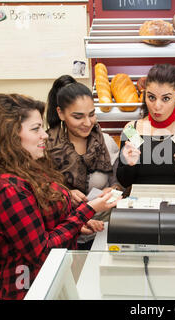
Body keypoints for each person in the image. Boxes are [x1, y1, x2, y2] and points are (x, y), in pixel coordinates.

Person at [0, 94, 120, 299]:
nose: (45, 135)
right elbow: (42, 251)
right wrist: (87, 210)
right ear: (10, 135)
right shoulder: (8, 188)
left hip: (54, 278)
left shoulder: (29, 169)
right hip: (29, 288)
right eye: (35, 129)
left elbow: (41, 224)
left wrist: (78, 225)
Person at [46, 75, 122, 249]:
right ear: (60, 113)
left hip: (103, 233)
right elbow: (38, 191)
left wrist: (114, 190)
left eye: (92, 114)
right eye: (78, 117)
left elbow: (117, 181)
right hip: (62, 239)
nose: (87, 123)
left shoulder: (106, 142)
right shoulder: (46, 146)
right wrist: (64, 193)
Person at [116, 64, 175, 189]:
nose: (157, 106)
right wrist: (130, 166)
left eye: (166, 98)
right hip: (140, 203)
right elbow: (124, 182)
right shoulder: (132, 130)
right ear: (145, 95)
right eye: (151, 97)